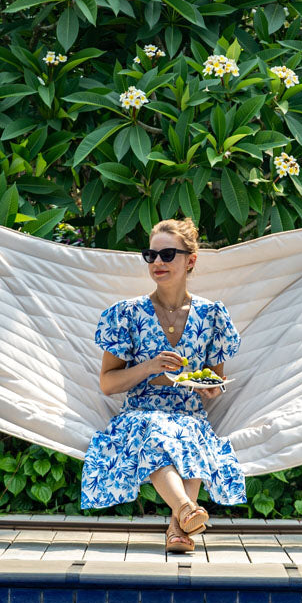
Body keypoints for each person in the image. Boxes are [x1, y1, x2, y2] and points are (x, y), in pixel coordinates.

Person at [80, 217, 246, 554]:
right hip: (140, 413)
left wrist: (212, 388)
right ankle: (186, 512)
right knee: (154, 431)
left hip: (188, 412)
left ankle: (178, 526)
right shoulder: (126, 314)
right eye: (151, 255)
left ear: (191, 260)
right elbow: (108, 384)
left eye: (168, 254)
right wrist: (150, 366)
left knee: (191, 434)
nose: (157, 262)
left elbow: (214, 378)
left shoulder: (212, 315)